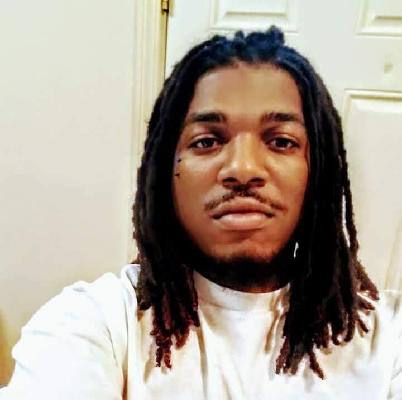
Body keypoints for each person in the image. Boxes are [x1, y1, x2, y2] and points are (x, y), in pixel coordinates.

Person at [1, 26, 401, 399]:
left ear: (319, 174)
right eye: (207, 141)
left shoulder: (390, 337)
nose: (243, 169)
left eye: (281, 142)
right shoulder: (94, 323)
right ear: (166, 174)